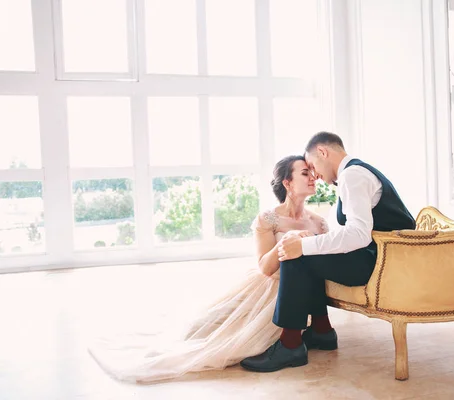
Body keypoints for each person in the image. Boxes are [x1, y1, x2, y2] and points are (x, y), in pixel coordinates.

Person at [88, 155, 328, 383]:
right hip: (265, 287)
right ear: (287, 182)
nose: (312, 178)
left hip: (294, 294)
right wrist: (290, 241)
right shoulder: (269, 219)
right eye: (305, 173)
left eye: (313, 173)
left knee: (246, 342)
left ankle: (304, 337)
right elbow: (264, 267)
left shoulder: (318, 222)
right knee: (204, 331)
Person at [240, 132, 416, 373]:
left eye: (312, 167)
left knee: (298, 253)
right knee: (305, 251)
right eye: (307, 172)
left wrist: (303, 245)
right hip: (385, 258)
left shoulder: (352, 175)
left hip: (381, 262)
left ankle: (290, 344)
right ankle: (322, 332)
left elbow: (358, 235)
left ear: (323, 152)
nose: (316, 177)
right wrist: (308, 244)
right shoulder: (357, 172)